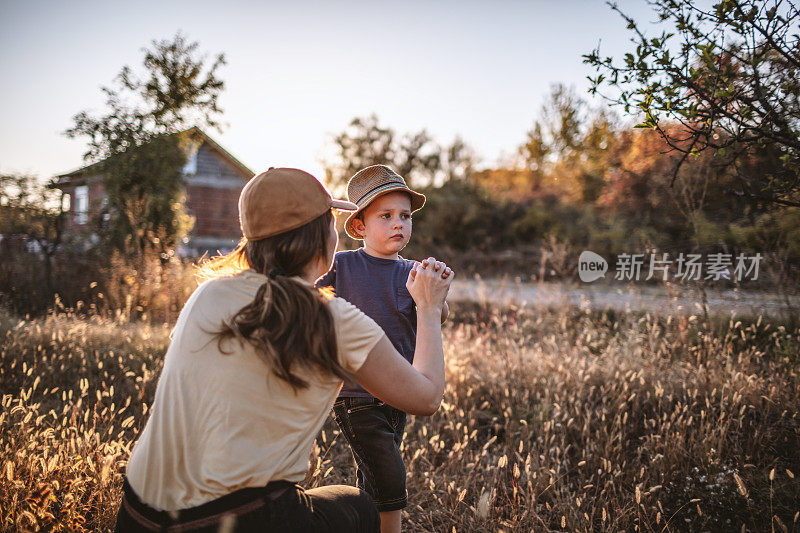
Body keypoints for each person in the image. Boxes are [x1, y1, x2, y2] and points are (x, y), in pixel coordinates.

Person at [113, 167, 453, 532]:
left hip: (135, 516)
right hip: (234, 522)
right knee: (361, 506)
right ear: (322, 234)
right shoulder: (332, 320)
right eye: (331, 223)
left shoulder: (207, 294)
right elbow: (427, 398)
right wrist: (429, 308)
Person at [316, 165, 451, 533]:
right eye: (386, 216)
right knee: (390, 475)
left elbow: (437, 316)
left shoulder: (413, 271)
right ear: (359, 226)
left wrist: (437, 290)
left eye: (405, 217)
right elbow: (307, 291)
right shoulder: (341, 266)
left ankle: (365, 522)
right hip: (355, 393)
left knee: (374, 475)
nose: (399, 224)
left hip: (400, 391)